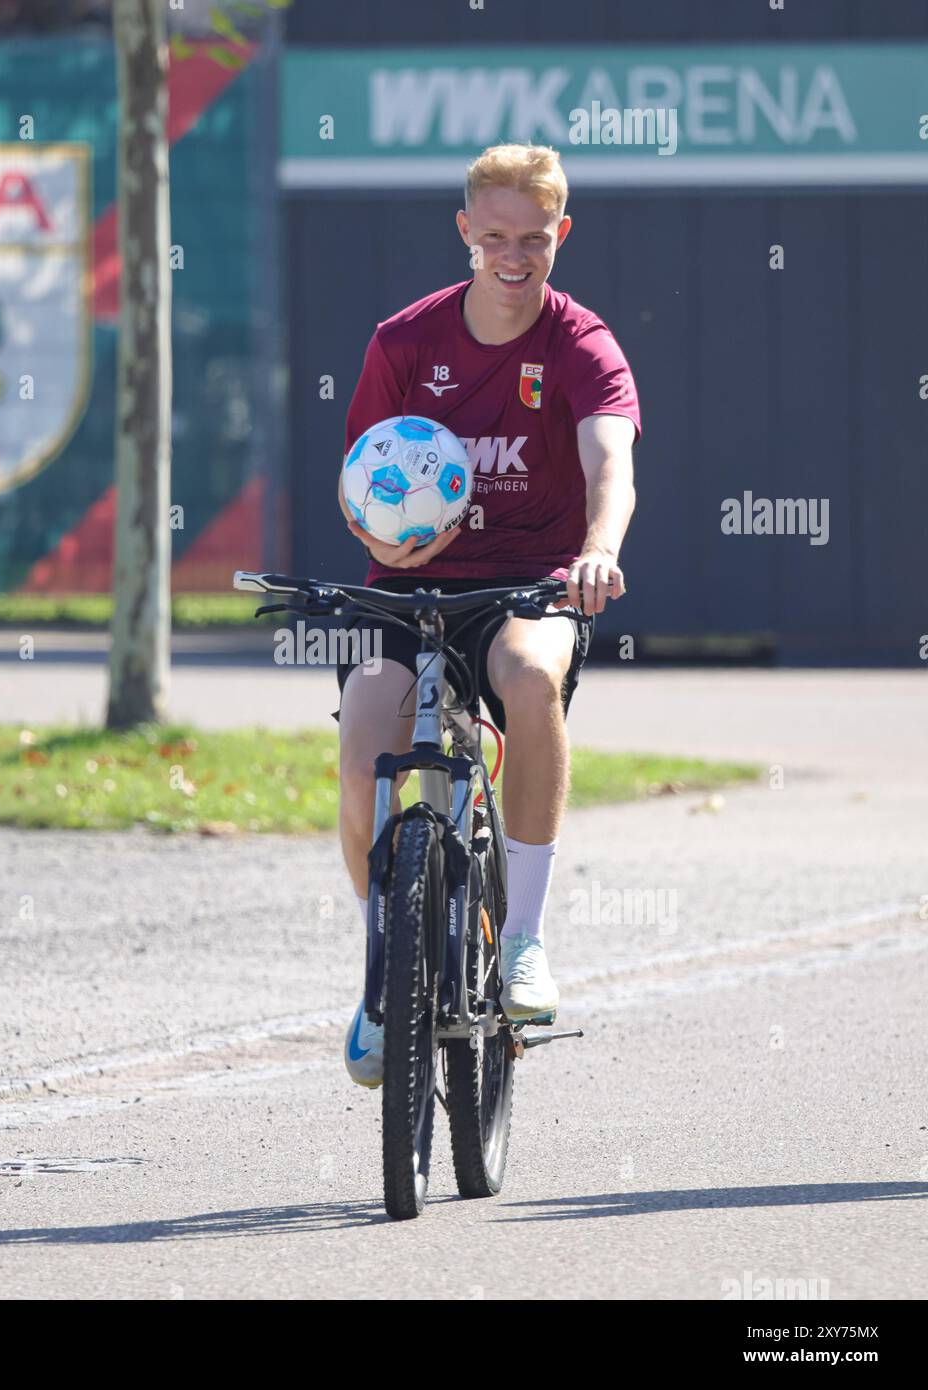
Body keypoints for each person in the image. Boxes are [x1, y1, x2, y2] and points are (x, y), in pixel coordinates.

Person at [335, 143, 640, 1088]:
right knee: (363, 743)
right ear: (466, 231)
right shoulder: (403, 343)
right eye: (496, 236)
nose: (516, 255)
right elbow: (361, 484)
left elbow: (610, 462)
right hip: (412, 590)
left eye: (536, 238)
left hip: (533, 585)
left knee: (528, 675)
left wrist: (598, 549)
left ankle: (522, 941)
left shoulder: (581, 342)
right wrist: (384, 545)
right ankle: (385, 970)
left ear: (563, 236)